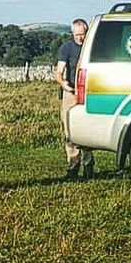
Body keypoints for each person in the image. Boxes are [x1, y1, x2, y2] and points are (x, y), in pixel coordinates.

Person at [55, 18, 94, 179]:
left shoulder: (91, 47)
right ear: (73, 33)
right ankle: (73, 165)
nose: (80, 38)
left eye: (83, 34)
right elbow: (59, 71)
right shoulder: (66, 48)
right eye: (77, 34)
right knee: (69, 130)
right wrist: (63, 84)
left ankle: (88, 164)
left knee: (86, 129)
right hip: (70, 92)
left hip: (88, 92)